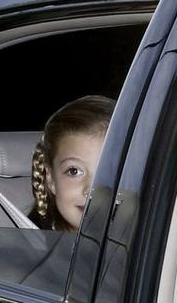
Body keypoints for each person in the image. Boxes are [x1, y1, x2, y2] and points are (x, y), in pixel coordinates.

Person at [29, 95, 114, 232]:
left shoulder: (153, 245)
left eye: (110, 172)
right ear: (51, 180)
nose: (91, 190)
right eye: (74, 171)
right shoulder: (30, 250)